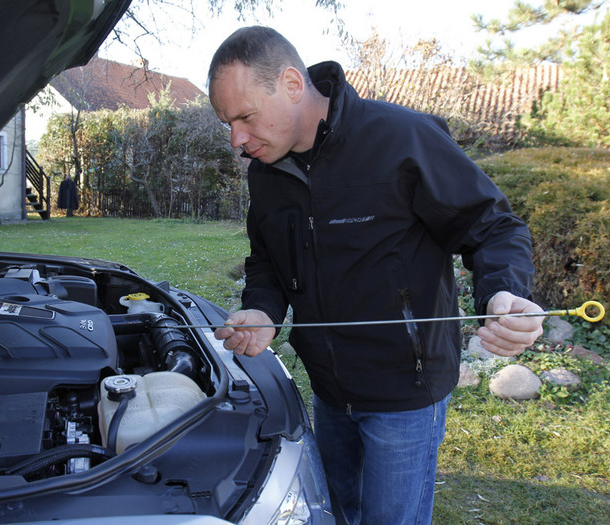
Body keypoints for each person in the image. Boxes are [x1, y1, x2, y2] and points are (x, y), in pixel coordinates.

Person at [207, 26, 544, 524]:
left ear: (293, 85)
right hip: (327, 391)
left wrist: (506, 293)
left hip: (404, 397)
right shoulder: (266, 172)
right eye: (227, 123)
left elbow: (493, 226)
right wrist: (262, 308)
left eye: (245, 117)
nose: (236, 139)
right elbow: (267, 262)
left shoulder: (401, 138)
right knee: (339, 512)